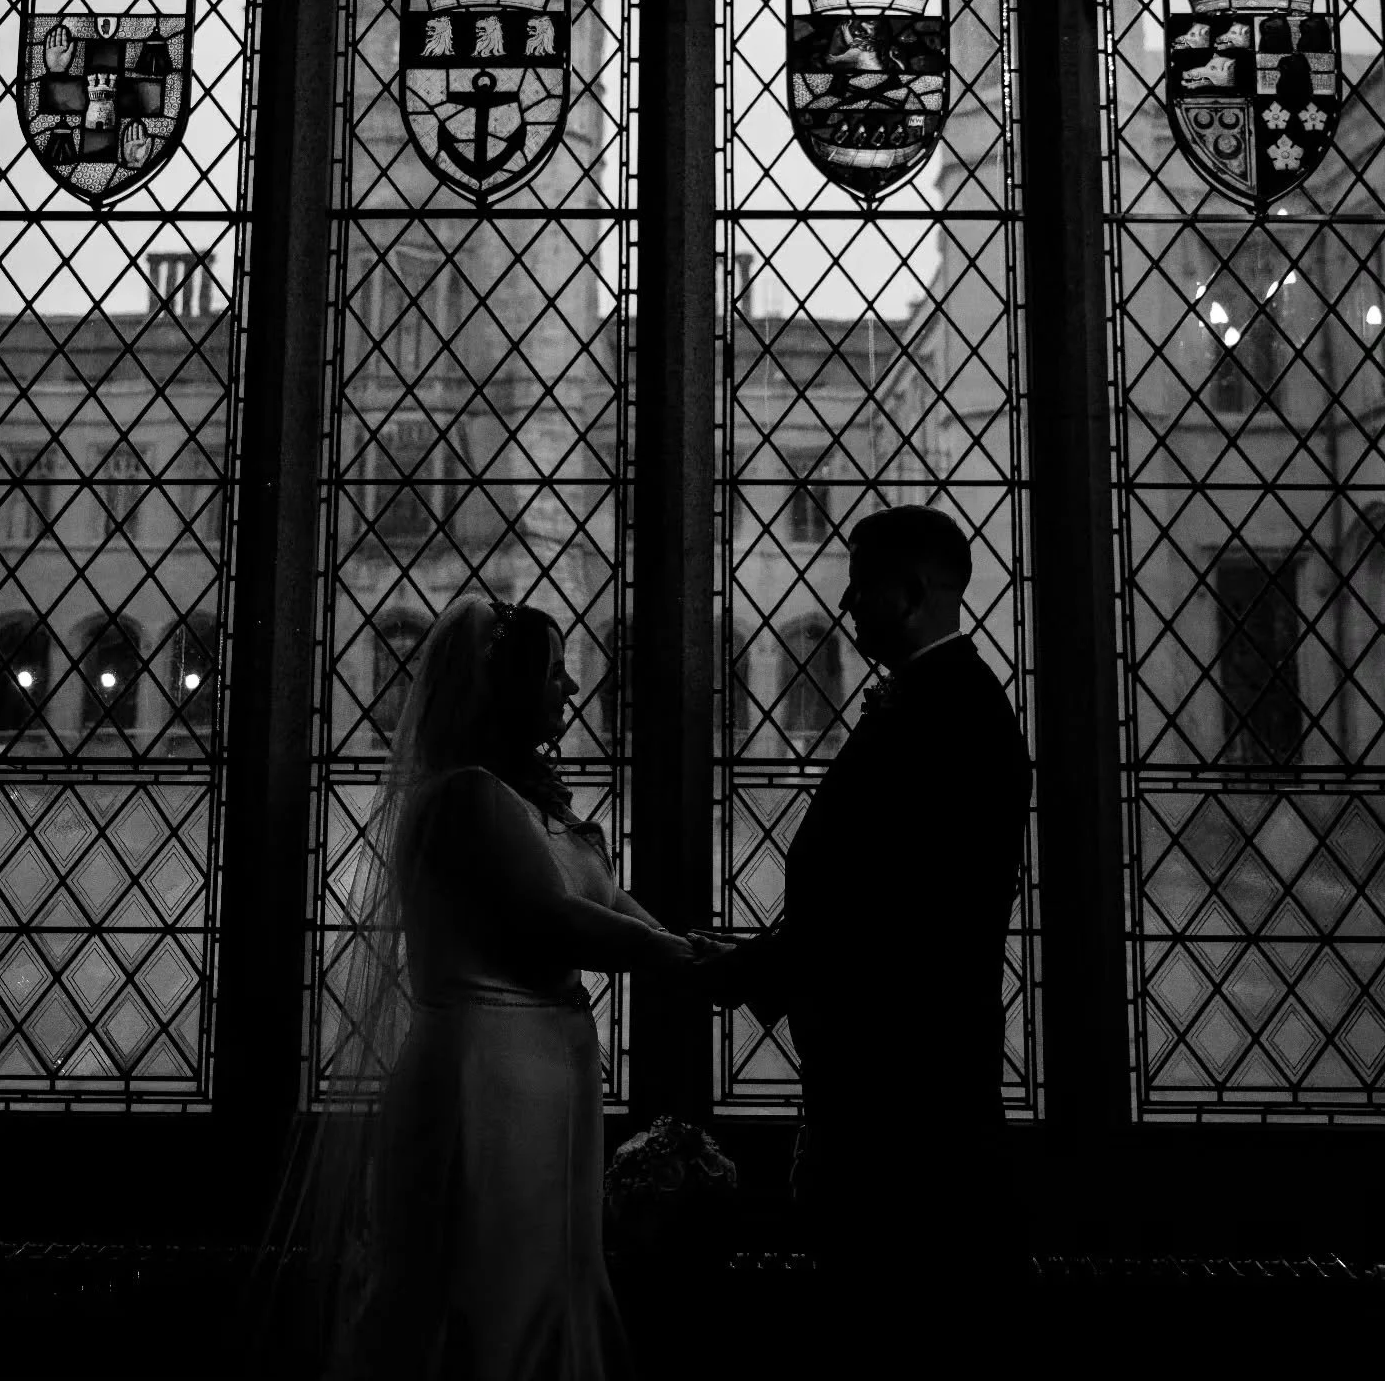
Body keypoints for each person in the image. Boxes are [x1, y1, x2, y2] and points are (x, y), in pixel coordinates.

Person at [288, 595, 695, 1381]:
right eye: (551, 672)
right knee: (483, 1292)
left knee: (544, 1280)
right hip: (484, 1080)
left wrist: (697, 947)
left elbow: (606, 903)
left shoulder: (525, 803)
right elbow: (557, 921)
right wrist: (690, 962)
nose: (572, 687)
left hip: (542, 1077)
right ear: (503, 689)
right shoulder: (468, 794)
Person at [693, 505, 1032, 1359]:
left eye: (862, 581)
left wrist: (746, 969)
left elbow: (889, 921)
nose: (843, 599)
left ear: (914, 591)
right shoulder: (936, 702)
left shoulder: (949, 718)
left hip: (907, 1111)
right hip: (895, 1093)